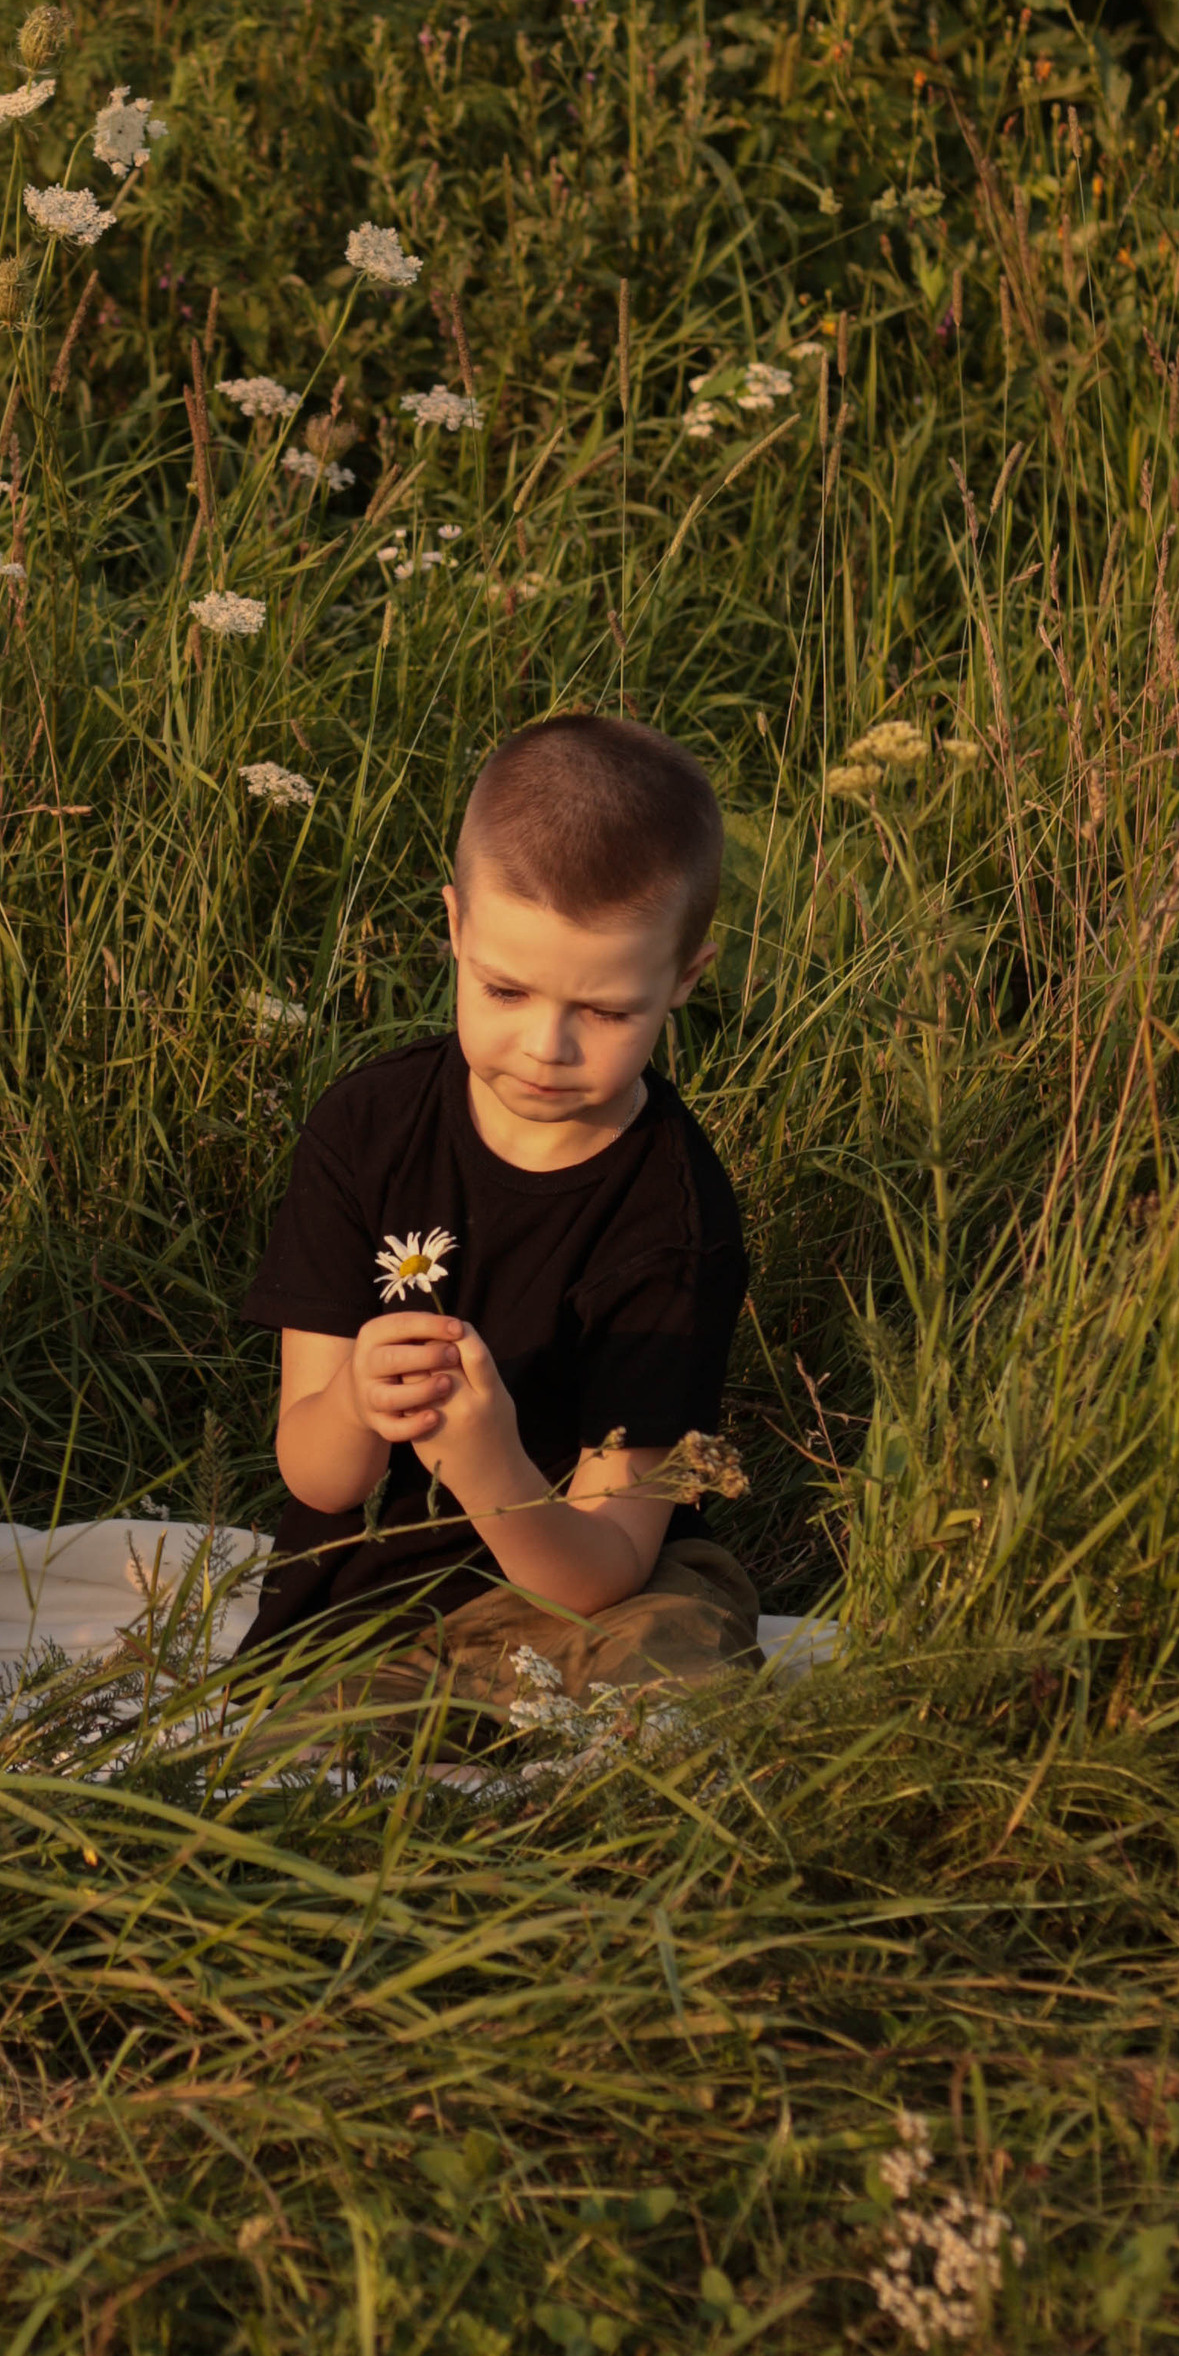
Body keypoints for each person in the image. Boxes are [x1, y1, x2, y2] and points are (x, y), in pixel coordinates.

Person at [236, 713, 756, 1724]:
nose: (545, 1044)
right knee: (305, 1732)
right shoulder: (369, 1126)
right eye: (505, 989)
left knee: (681, 1640)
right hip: (373, 1596)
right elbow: (315, 1473)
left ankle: (576, 1759)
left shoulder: (674, 1216)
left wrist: (490, 1465)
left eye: (604, 1011)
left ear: (683, 979)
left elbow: (605, 1566)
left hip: (582, 1588)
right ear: (457, 928)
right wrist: (355, 1404)